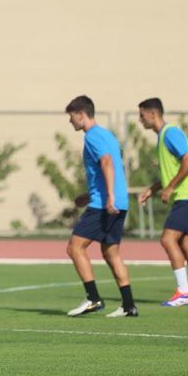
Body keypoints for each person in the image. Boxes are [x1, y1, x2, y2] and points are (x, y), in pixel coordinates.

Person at [61, 95, 137, 318]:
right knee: (111, 252)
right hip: (117, 203)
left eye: (71, 117)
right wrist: (91, 194)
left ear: (81, 115)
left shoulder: (92, 137)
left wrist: (108, 196)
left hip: (105, 204)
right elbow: (108, 168)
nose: (70, 122)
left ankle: (93, 298)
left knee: (74, 248)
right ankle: (129, 305)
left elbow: (106, 162)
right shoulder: (108, 135)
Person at [137, 97, 188, 307]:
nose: (140, 120)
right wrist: (152, 190)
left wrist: (170, 188)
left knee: (167, 240)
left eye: (142, 115)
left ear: (153, 114)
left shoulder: (170, 133)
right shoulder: (162, 137)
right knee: (185, 243)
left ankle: (184, 291)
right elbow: (171, 171)